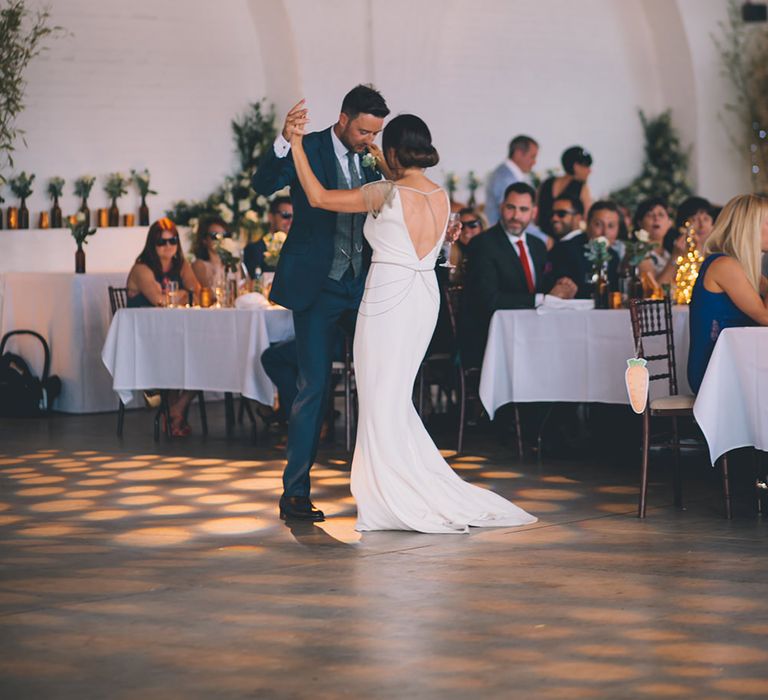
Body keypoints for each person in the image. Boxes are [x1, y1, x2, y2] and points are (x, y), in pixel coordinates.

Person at [289, 107, 537, 533]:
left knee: (379, 394)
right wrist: (380, 157)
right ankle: (408, 481)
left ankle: (392, 493)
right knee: (394, 393)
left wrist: (295, 145)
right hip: (424, 296)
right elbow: (414, 205)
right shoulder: (440, 196)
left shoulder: (382, 193)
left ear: (392, 151)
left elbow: (317, 197)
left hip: (386, 297)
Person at [252, 85, 390, 523]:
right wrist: (282, 140)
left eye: (376, 132)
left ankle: (387, 488)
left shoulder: (374, 157)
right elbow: (263, 184)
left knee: (379, 384)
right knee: (313, 388)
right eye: (365, 130)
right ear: (344, 119)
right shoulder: (306, 146)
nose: (370, 139)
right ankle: (294, 493)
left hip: (364, 285)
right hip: (319, 285)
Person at [466, 182, 576, 365]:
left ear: (534, 213)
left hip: (536, 334)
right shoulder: (483, 244)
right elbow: (489, 299)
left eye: (523, 209)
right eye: (511, 208)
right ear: (502, 207)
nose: (516, 216)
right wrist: (544, 299)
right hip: (494, 338)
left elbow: (542, 286)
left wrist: (562, 289)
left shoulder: (537, 245)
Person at [125, 217, 201, 436]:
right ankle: (175, 415)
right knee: (182, 355)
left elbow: (197, 293)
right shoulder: (142, 268)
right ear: (152, 244)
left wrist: (180, 294)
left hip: (176, 335)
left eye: (173, 240)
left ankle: (175, 409)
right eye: (162, 242)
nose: (168, 246)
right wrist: (182, 294)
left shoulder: (182, 265)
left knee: (207, 355)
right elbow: (159, 300)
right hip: (146, 339)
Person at [687, 194, 768, 393]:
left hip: (737, 364)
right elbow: (766, 317)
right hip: (715, 372)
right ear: (750, 227)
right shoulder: (724, 265)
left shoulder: (741, 267)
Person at [549, 200, 622, 299]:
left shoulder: (614, 256)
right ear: (587, 224)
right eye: (598, 224)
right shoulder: (565, 250)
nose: (605, 232)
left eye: (611, 226)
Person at [537, 146, 593, 237]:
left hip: (542, 239)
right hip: (566, 241)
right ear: (576, 167)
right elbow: (588, 218)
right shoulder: (582, 188)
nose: (590, 171)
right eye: (586, 166)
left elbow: (536, 215)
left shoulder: (546, 184)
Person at [485, 135, 538, 226]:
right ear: (518, 153)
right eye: (532, 157)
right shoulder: (505, 178)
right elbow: (514, 218)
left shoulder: (505, 174)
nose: (534, 162)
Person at [635, 197, 685, 286]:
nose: (656, 218)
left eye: (661, 215)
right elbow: (654, 290)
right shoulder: (638, 252)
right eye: (650, 215)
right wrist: (675, 257)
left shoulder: (667, 252)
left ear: (669, 223)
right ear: (640, 223)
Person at [243, 196, 293, 277]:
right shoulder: (253, 249)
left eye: (294, 217)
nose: (291, 221)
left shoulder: (299, 249)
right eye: (286, 215)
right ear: (270, 217)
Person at [191, 216, 230, 288]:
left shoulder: (233, 264)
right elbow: (208, 292)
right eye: (215, 236)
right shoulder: (199, 265)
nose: (220, 240)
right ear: (204, 240)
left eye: (224, 235)